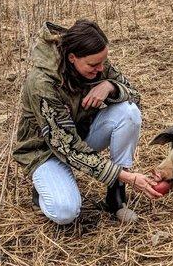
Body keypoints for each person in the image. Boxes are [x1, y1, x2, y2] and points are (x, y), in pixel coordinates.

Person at [13, 20, 162, 225]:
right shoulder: (42, 84)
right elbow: (67, 147)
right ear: (72, 57)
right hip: (45, 151)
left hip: (82, 135)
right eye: (93, 65)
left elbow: (135, 96)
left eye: (103, 62)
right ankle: (45, 189)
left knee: (129, 112)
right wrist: (127, 176)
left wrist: (110, 86)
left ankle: (115, 197)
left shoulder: (97, 62)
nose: (100, 69)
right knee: (65, 212)